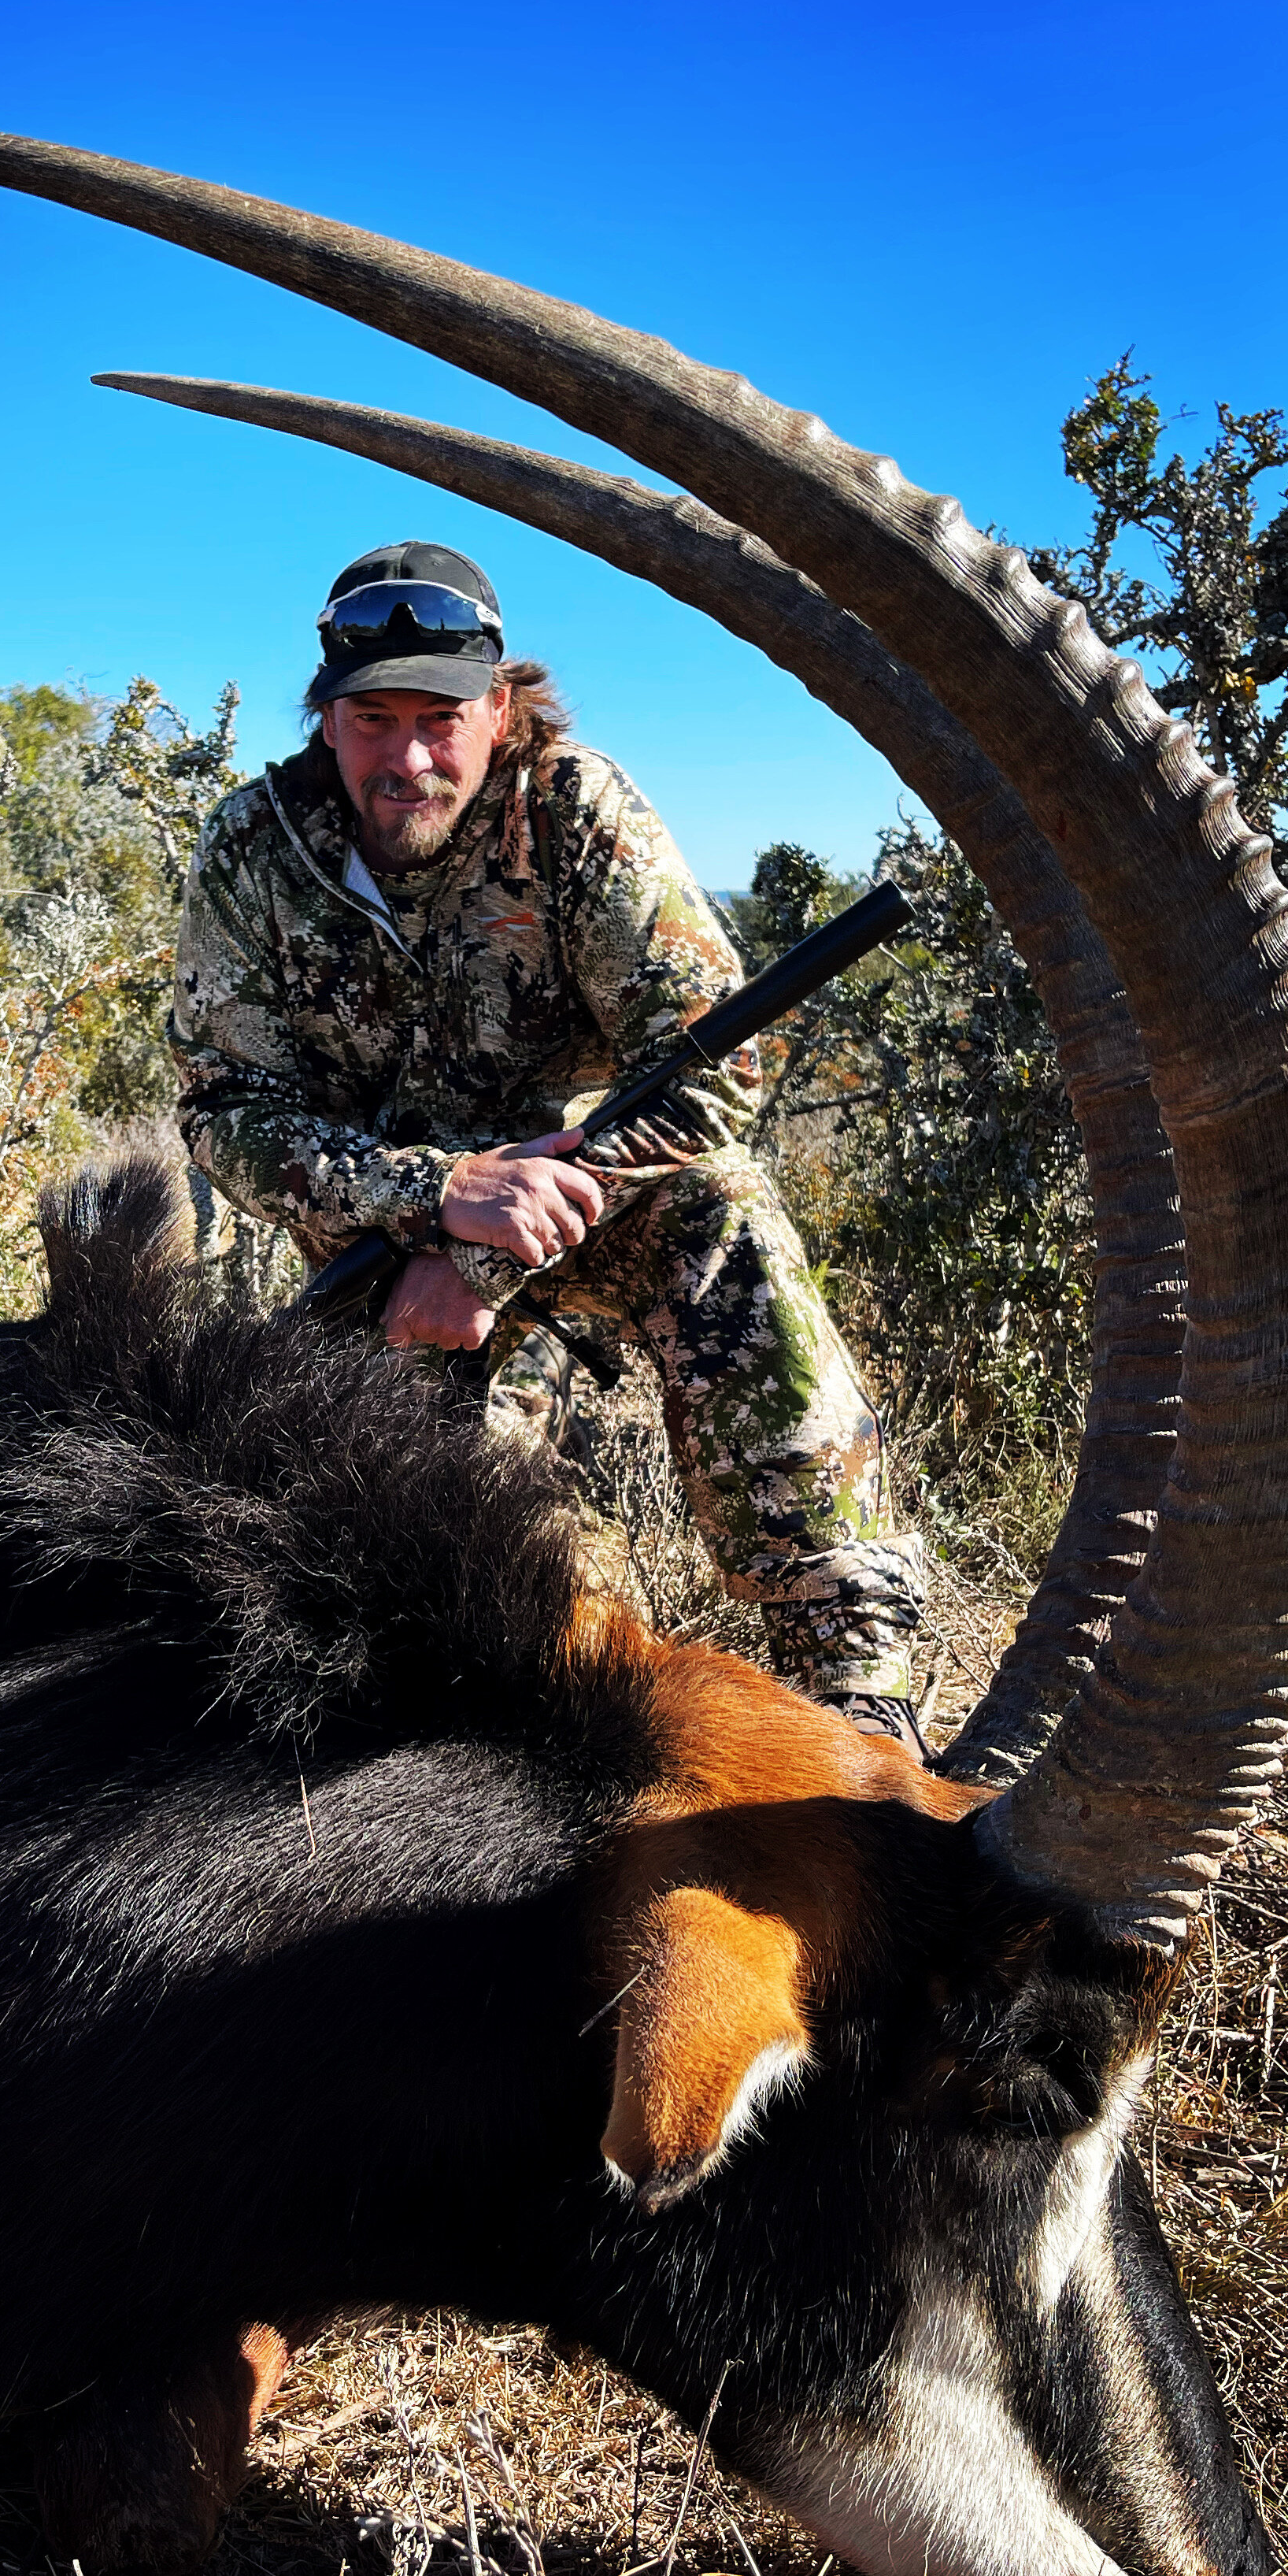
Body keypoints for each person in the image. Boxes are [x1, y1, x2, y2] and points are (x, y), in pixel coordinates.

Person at [168, 539, 930, 1752]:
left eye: (441, 718)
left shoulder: (576, 806)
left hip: (589, 1213)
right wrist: (436, 1201)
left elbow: (714, 1060)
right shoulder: (255, 849)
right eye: (373, 719)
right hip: (382, 1263)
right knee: (435, 1618)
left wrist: (482, 1255)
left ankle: (862, 1692)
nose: (407, 758)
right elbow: (225, 1109)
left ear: (502, 706)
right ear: (327, 719)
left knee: (721, 1211)